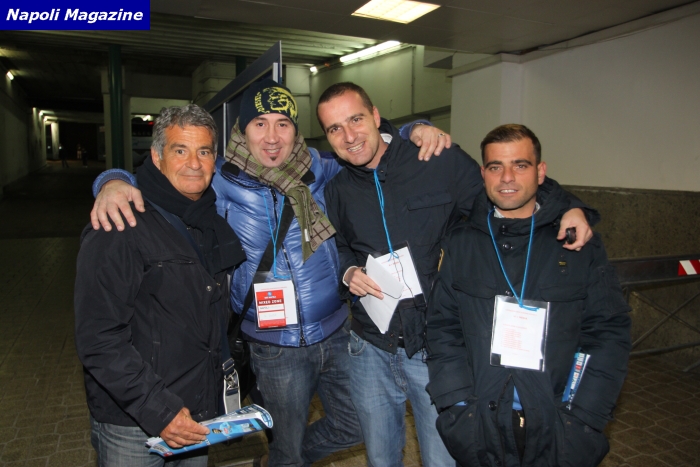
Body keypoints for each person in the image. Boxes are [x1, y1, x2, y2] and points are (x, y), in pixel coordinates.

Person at [87, 79, 450, 467]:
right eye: (260, 123)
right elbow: (164, 179)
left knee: (356, 425)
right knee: (287, 448)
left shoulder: (322, 168)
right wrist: (111, 181)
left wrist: (413, 130)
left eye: (283, 123)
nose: (272, 137)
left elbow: (366, 144)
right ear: (242, 130)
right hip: (274, 345)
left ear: (296, 130)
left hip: (337, 332)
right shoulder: (219, 178)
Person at [317, 83, 595, 467]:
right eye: (334, 128)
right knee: (380, 459)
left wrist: (569, 205)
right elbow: (340, 246)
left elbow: (507, 191)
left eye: (356, 119)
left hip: (437, 349)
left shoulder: (435, 159)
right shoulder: (337, 189)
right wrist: (348, 271)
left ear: (376, 116)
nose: (349, 136)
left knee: (444, 459)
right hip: (370, 347)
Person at [425, 124, 631, 467]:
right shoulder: (462, 242)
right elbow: (443, 326)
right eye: (495, 167)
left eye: (520, 165)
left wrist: (584, 416)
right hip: (480, 425)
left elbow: (607, 331)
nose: (507, 177)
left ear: (541, 172)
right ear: (483, 174)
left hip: (558, 428)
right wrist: (457, 405)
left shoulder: (576, 242)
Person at [74, 105, 246, 467]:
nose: (194, 163)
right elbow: (99, 338)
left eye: (204, 151)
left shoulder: (210, 221)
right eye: (180, 150)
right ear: (156, 156)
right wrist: (159, 410)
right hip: (135, 424)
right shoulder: (120, 223)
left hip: (196, 410)